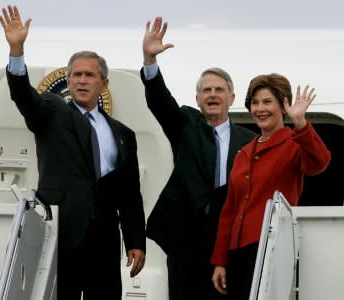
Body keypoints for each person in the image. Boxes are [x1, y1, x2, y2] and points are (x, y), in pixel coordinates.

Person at [0, 5, 146, 300]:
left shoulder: (122, 134)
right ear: (68, 81)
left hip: (103, 241)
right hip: (60, 234)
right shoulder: (52, 112)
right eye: (76, 74)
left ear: (103, 83)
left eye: (89, 75)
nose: (81, 80)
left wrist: (135, 240)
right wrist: (17, 52)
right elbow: (24, 97)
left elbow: (129, 193)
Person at [141, 17, 256, 300]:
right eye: (207, 90)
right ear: (197, 97)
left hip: (230, 240)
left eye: (219, 90)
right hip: (186, 239)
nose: (213, 94)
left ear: (231, 97)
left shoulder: (250, 141)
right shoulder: (186, 125)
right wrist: (149, 60)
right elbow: (160, 102)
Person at [211, 73, 331, 299]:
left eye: (267, 102)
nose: (260, 108)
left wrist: (301, 123)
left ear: (283, 106)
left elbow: (320, 162)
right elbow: (229, 211)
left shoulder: (293, 144)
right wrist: (220, 261)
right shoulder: (243, 153)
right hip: (237, 253)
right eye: (255, 103)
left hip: (271, 246)